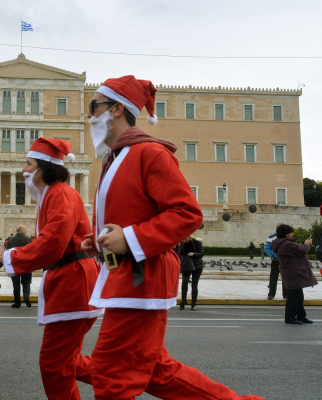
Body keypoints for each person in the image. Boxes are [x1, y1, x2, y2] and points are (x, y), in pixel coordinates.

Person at [81, 75, 263, 399]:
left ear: (117, 109)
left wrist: (130, 239)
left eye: (94, 106)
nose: (89, 114)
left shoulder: (148, 153)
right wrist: (97, 240)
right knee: (157, 374)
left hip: (141, 277)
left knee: (111, 377)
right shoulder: (115, 159)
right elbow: (127, 218)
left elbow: (187, 213)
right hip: (127, 277)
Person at [0, 138, 102, 400]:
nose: (24, 170)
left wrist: (11, 255)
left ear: (43, 168)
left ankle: (122, 375)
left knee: (54, 364)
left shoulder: (60, 194)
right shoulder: (52, 195)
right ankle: (118, 374)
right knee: (65, 361)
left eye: (28, 164)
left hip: (73, 281)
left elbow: (53, 242)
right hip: (70, 280)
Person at [271, 224, 318, 324]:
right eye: (291, 232)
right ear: (286, 234)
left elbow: (298, 251)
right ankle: (290, 318)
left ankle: (301, 316)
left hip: (292, 272)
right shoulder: (286, 244)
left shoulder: (284, 243)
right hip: (292, 272)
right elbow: (301, 251)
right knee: (293, 297)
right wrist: (307, 244)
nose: (292, 234)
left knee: (299, 296)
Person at [6, 225, 33, 308]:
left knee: (16, 284)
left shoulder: (11, 240)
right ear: (23, 231)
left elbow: (7, 252)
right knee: (26, 282)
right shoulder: (29, 240)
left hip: (15, 265)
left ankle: (17, 303)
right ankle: (26, 296)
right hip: (26, 265)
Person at [178, 235, 205, 310]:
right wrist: (183, 259)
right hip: (187, 265)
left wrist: (193, 254)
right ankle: (183, 302)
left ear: (189, 237)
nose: (183, 240)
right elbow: (179, 253)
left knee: (194, 285)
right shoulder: (182, 243)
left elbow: (201, 253)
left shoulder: (197, 242)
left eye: (184, 239)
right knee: (184, 282)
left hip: (197, 266)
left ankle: (193, 304)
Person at [265, 224, 286, 300]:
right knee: (273, 278)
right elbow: (267, 248)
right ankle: (271, 294)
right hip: (276, 261)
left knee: (285, 278)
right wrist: (275, 255)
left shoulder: (287, 237)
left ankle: (286, 295)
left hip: (285, 261)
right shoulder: (272, 237)